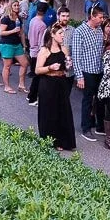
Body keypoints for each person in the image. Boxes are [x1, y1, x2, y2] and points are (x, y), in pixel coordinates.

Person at [36, 23, 76, 152]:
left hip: (61, 82)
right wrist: (49, 67)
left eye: (63, 33)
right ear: (52, 35)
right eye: (60, 33)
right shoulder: (44, 50)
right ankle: (49, 140)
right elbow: (37, 70)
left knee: (62, 111)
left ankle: (63, 140)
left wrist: (68, 64)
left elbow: (67, 65)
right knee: (49, 112)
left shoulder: (64, 49)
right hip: (48, 83)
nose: (63, 35)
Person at [72, 6, 106, 141]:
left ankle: (97, 125)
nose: (102, 20)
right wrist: (79, 76)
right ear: (92, 16)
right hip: (87, 71)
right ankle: (85, 128)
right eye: (100, 17)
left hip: (99, 70)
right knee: (87, 100)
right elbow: (76, 55)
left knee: (99, 99)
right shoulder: (80, 31)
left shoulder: (99, 30)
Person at [0, 0, 29, 93]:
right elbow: (2, 32)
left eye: (17, 5)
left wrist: (24, 45)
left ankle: (21, 84)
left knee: (25, 63)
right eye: (14, 5)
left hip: (17, 44)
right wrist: (13, 31)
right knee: (7, 66)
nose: (16, 7)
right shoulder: (6, 18)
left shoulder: (18, 18)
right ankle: (7, 86)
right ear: (10, 6)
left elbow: (22, 33)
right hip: (7, 44)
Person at [26, 2, 50, 105]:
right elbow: (42, 42)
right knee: (38, 77)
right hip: (38, 52)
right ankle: (33, 98)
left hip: (32, 49)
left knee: (35, 76)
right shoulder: (42, 25)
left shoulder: (32, 20)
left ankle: (31, 95)